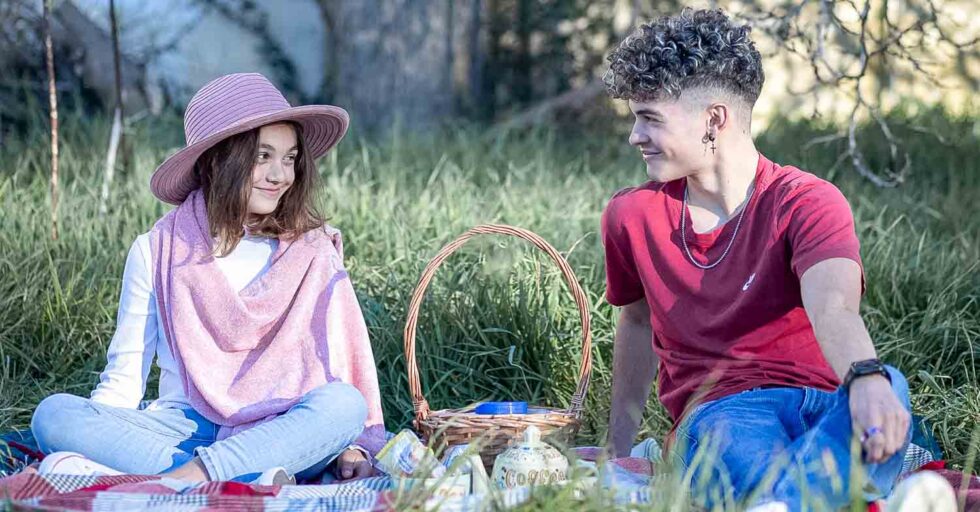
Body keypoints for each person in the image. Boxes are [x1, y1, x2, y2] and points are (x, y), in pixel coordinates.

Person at [599, 9, 938, 511]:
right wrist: (617, 448)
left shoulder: (807, 201)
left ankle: (801, 498)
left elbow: (835, 309)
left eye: (650, 118)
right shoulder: (632, 215)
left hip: (825, 405)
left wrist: (867, 378)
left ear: (715, 119)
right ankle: (863, 493)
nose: (635, 136)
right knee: (735, 440)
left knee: (892, 385)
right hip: (721, 413)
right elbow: (636, 322)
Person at [29, 73, 385, 485]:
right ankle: (239, 478)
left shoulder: (313, 250)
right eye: (262, 156)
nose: (280, 175)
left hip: (278, 427)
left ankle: (181, 480)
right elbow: (123, 381)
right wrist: (99, 429)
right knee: (54, 415)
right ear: (218, 160)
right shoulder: (157, 249)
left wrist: (355, 444)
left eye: (289, 158)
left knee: (345, 405)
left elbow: (344, 365)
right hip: (183, 429)